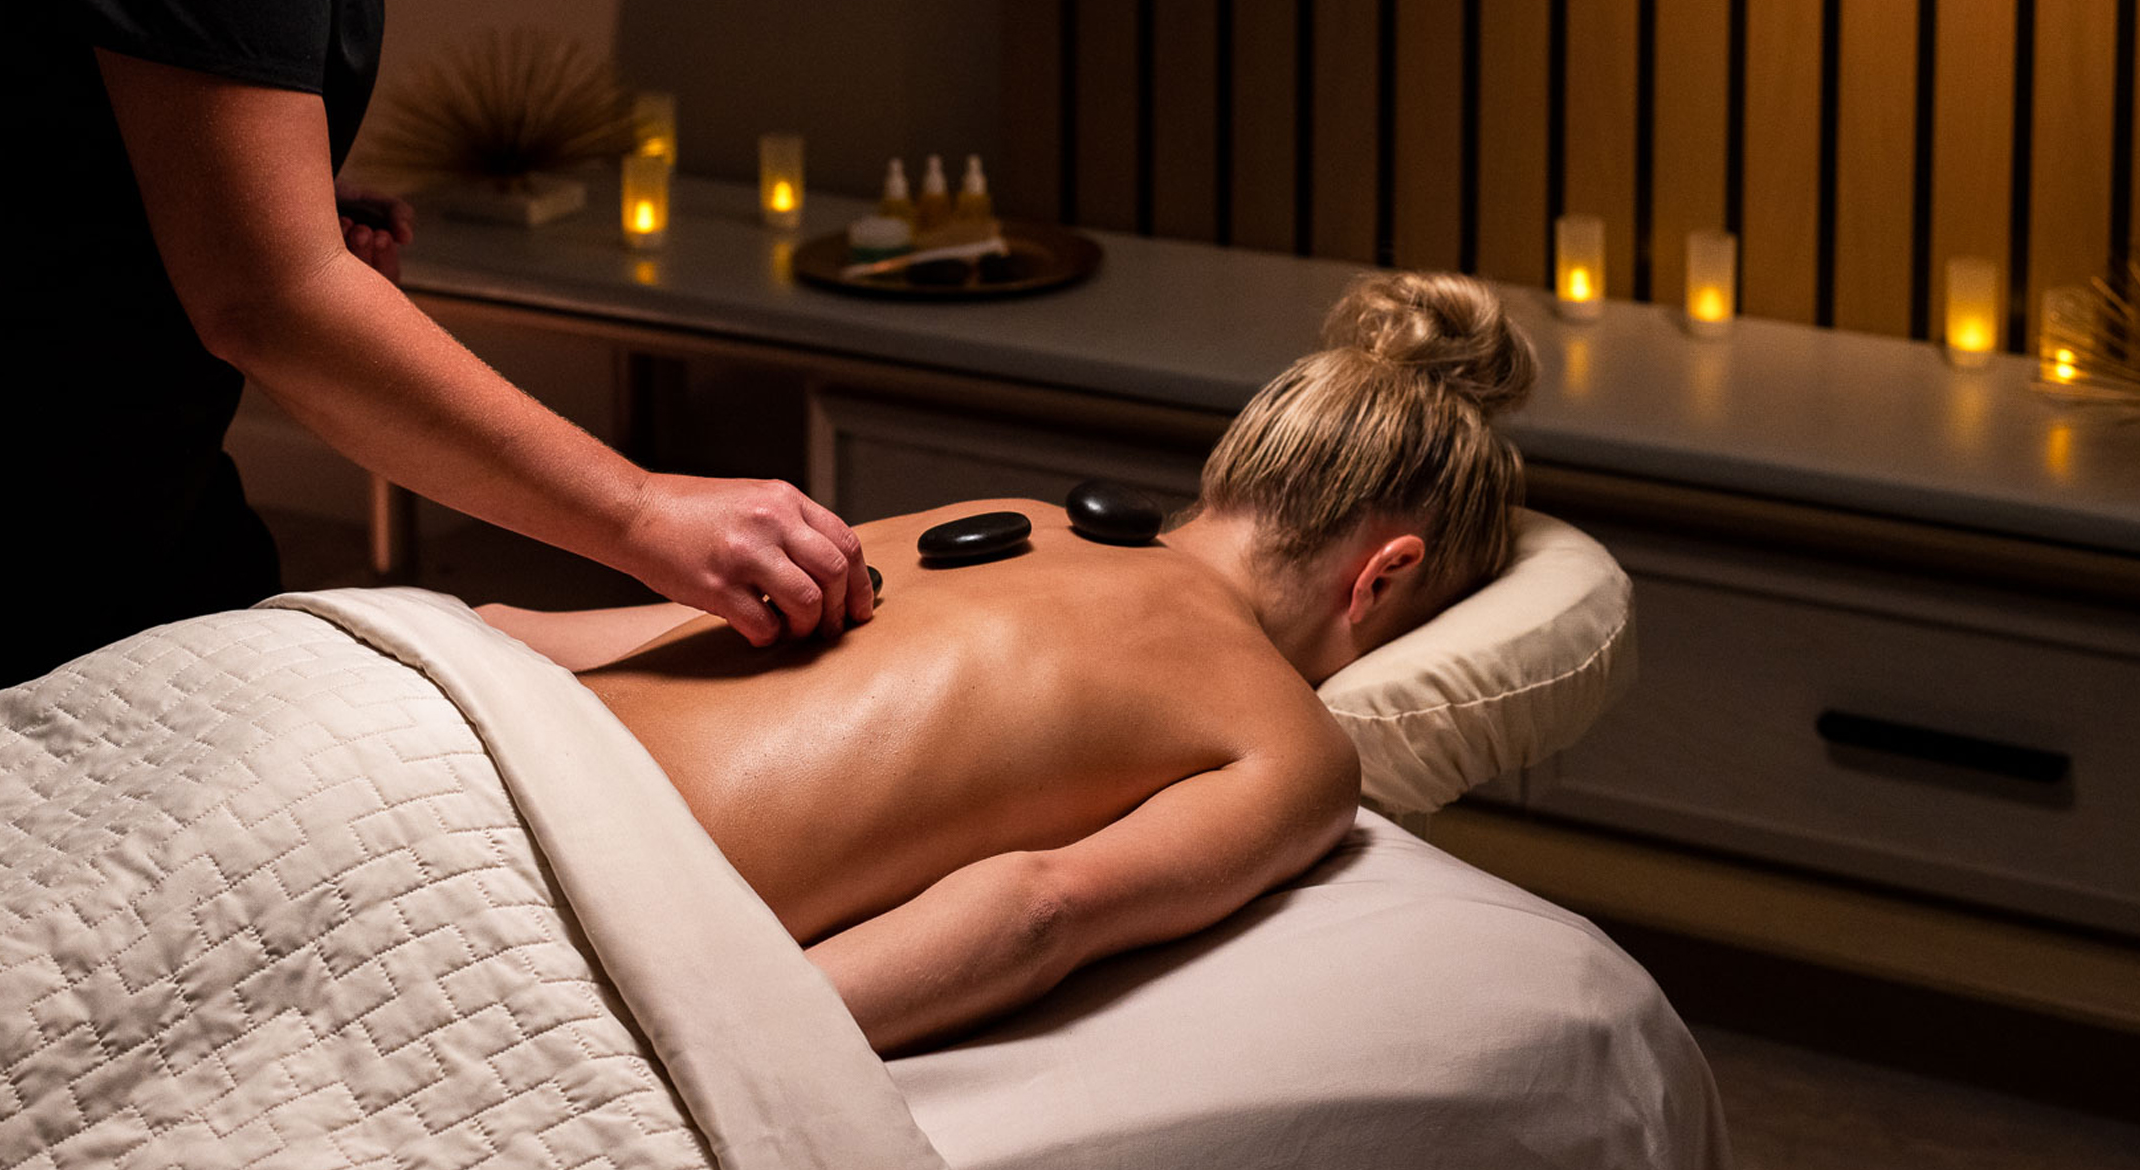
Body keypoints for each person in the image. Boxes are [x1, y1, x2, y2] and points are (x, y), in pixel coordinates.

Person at [0, 1, 869, 842]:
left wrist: (252, 193)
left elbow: (13, 95)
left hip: (67, 480)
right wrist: (646, 509)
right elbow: (267, 302)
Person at [480, 271, 1537, 1053]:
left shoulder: (1008, 520)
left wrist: (445, 631)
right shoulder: (1290, 745)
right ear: (1387, 578)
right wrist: (696, 1049)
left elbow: (649, 634)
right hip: (566, 895)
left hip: (457, 747)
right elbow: (1038, 912)